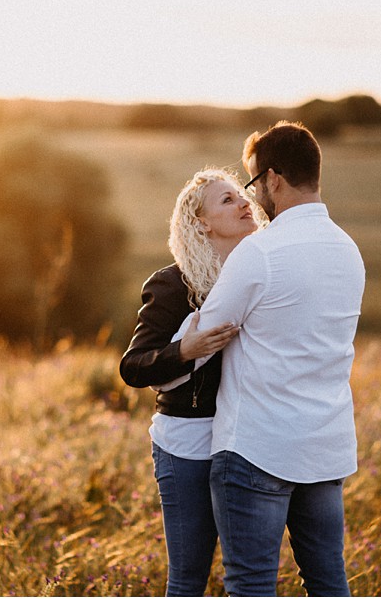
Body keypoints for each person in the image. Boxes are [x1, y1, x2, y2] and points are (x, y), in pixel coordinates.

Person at [194, 121, 366, 596]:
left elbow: (207, 331)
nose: (254, 198)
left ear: (272, 179)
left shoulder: (261, 252)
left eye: (251, 184)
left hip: (258, 446)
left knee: (251, 588)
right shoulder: (349, 251)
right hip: (325, 445)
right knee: (329, 582)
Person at [119, 168, 266, 596]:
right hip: (188, 444)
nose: (243, 203)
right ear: (201, 223)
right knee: (189, 578)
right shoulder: (171, 284)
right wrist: (186, 349)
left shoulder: (259, 276)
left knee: (247, 578)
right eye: (226, 200)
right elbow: (134, 367)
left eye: (242, 195)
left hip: (246, 443)